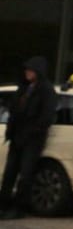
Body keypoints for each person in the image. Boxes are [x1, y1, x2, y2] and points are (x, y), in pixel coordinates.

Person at [2, 57, 55, 218]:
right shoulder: (23, 88)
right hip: (17, 137)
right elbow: (13, 110)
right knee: (9, 173)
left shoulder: (46, 91)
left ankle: (19, 208)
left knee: (26, 174)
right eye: (26, 70)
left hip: (32, 139)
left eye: (30, 70)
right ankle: (4, 205)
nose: (27, 73)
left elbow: (46, 117)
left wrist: (32, 131)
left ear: (38, 72)